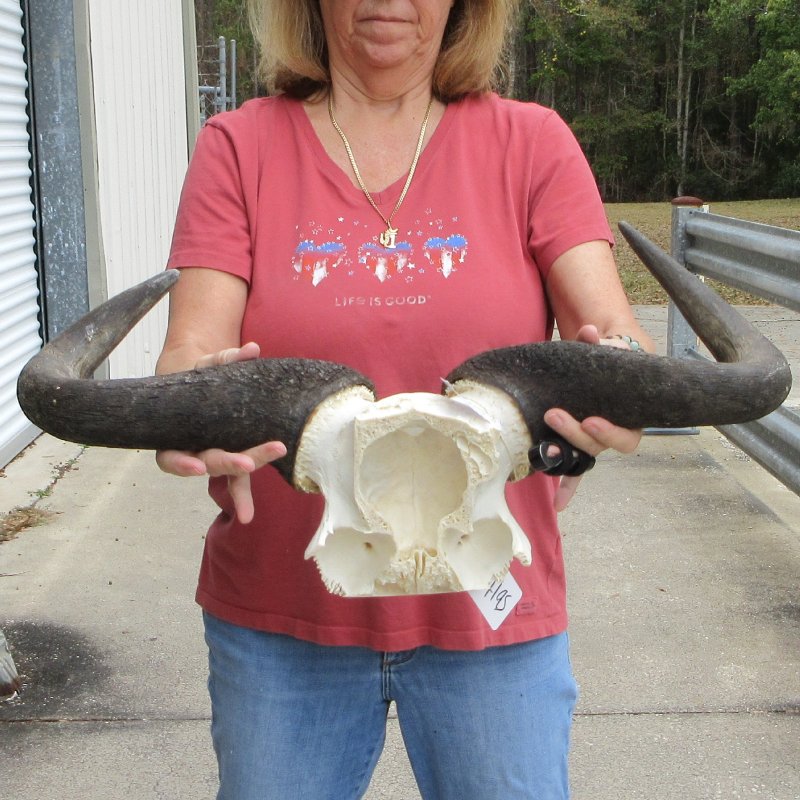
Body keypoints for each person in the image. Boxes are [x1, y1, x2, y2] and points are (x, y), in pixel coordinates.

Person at [156, 1, 653, 797]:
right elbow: (190, 350)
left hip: (489, 611)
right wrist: (191, 406)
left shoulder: (532, 143)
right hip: (284, 612)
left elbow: (611, 332)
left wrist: (620, 382)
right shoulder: (239, 146)